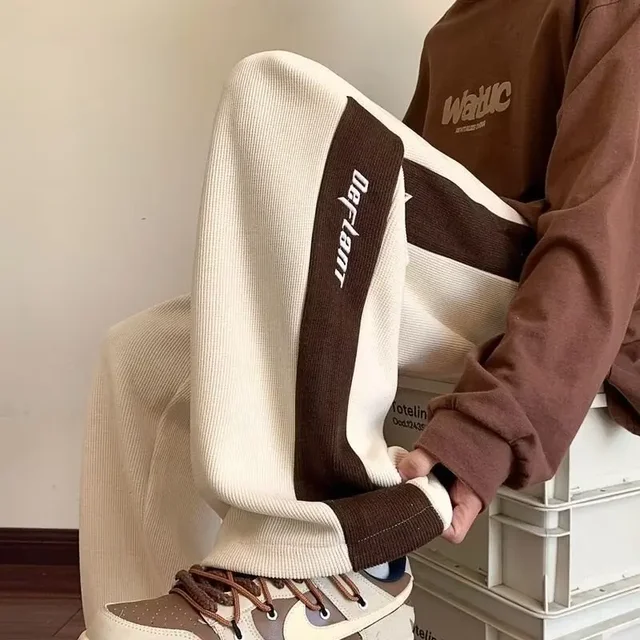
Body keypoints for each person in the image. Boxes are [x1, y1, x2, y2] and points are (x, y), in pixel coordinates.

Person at [79, 2, 640, 639]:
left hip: (578, 301)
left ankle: (322, 553)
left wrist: (489, 432)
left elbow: (609, 231)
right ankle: (146, 624)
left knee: (281, 91)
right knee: (142, 354)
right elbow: (393, 197)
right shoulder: (454, 27)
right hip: (477, 282)